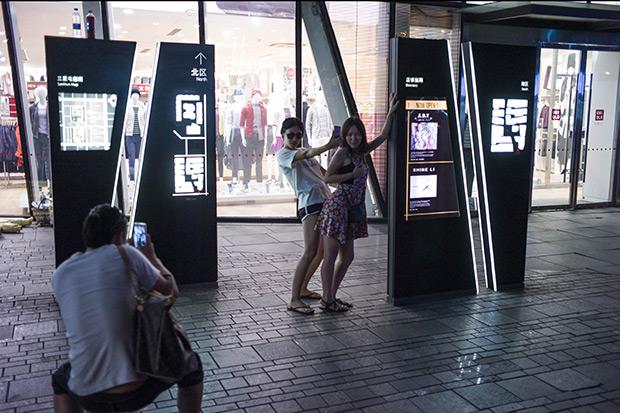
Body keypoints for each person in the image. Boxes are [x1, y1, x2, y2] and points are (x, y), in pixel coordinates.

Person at [51, 204, 203, 413]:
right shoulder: (127, 254)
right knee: (192, 367)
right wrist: (152, 257)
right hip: (137, 387)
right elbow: (171, 291)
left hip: (87, 394)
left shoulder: (60, 274)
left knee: (60, 380)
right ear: (119, 235)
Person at [316, 95, 399, 312]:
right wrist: (351, 175)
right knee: (330, 256)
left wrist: (391, 112)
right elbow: (328, 178)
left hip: (352, 210)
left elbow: (383, 137)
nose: (353, 138)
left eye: (357, 134)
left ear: (362, 135)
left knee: (347, 257)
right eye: (350, 134)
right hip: (338, 208)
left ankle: (331, 296)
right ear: (345, 136)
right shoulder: (342, 153)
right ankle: (327, 300)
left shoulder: (361, 152)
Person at [277, 117, 341, 315]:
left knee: (320, 252)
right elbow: (308, 153)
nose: (295, 139)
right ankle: (294, 299)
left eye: (298, 135)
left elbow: (325, 175)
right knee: (310, 251)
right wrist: (328, 145)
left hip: (325, 202)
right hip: (310, 204)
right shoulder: (283, 154)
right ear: (282, 135)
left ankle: (303, 289)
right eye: (290, 135)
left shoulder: (305, 153)